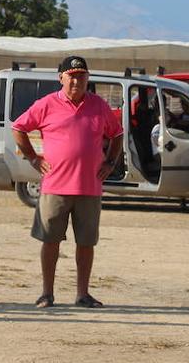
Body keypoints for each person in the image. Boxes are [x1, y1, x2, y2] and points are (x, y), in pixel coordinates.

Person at [11, 55, 122, 308]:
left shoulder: (98, 105)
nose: (76, 81)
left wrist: (110, 162)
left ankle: (82, 294)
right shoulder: (47, 104)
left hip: (89, 187)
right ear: (60, 77)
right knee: (50, 241)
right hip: (55, 187)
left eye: (81, 76)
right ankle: (47, 294)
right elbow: (19, 128)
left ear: (88, 78)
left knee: (86, 243)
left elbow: (116, 134)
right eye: (71, 76)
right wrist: (32, 158)